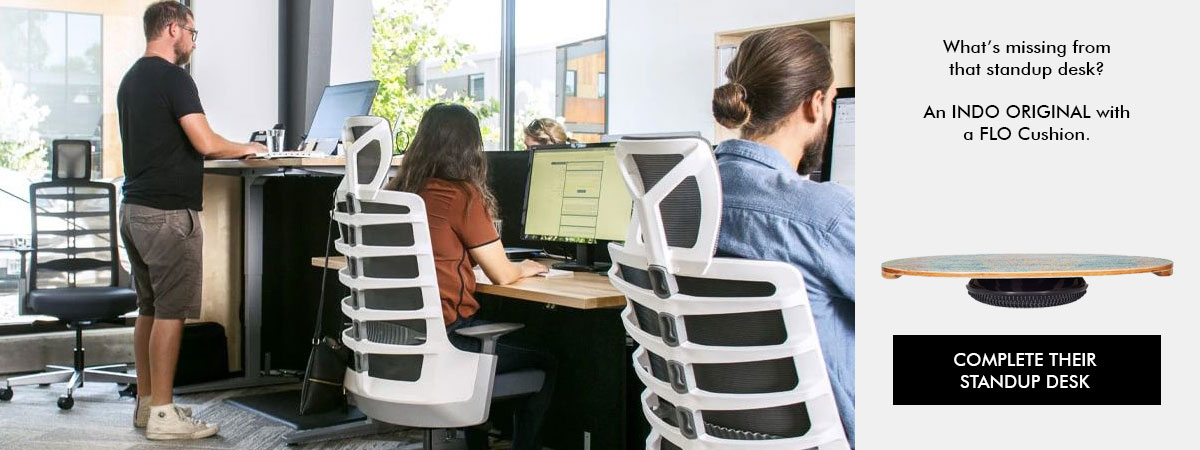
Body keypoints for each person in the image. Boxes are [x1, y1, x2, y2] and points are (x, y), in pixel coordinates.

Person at [117, 1, 264, 441]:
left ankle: (148, 404)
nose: (193, 42)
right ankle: (164, 414)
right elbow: (203, 141)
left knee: (150, 307)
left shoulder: (131, 79)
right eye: (192, 33)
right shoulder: (173, 78)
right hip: (166, 216)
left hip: (135, 211)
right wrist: (247, 148)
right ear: (174, 29)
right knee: (172, 312)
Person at [711, 25, 855, 446]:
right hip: (823, 434)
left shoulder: (677, 201)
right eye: (830, 102)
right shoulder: (825, 213)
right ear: (815, 104)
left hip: (711, 431)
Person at [384, 103, 554, 450]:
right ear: (470, 150)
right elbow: (502, 274)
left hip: (397, 340)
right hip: (449, 341)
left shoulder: (399, 194)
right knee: (549, 360)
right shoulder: (460, 195)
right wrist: (527, 267)